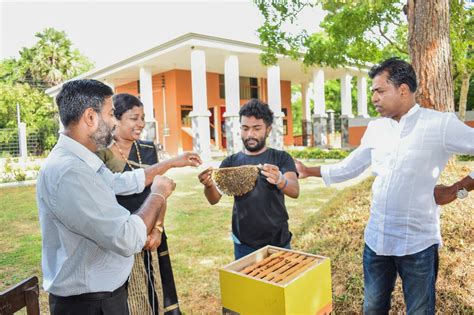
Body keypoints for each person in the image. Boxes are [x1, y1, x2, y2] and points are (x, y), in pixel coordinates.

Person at [295, 58, 474, 314]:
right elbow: (351, 167)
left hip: (418, 244)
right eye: (373, 92)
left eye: (380, 91)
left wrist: (459, 188)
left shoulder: (439, 125)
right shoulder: (376, 128)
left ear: (402, 89)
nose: (374, 98)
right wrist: (308, 171)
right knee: (372, 308)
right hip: (376, 241)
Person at [37, 79, 177, 315]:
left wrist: (166, 167)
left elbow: (117, 182)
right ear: (91, 118)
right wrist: (158, 195)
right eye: (111, 114)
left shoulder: (82, 161)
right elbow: (126, 237)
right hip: (89, 305)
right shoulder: (70, 171)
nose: (114, 121)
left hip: (101, 298)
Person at [97, 93, 201, 314]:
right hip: (121, 236)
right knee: (128, 298)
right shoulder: (100, 153)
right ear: (116, 118)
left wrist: (158, 229)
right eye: (134, 118)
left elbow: (159, 192)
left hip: (151, 234)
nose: (141, 124)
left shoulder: (146, 148)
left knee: (156, 293)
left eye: (143, 117)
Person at [198, 99, 299, 260]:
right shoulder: (230, 162)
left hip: (279, 242)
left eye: (256, 128)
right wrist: (208, 185)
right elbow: (214, 199)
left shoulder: (281, 158)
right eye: (245, 128)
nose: (250, 134)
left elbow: (294, 190)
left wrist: (280, 180)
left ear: (268, 129)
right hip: (244, 245)